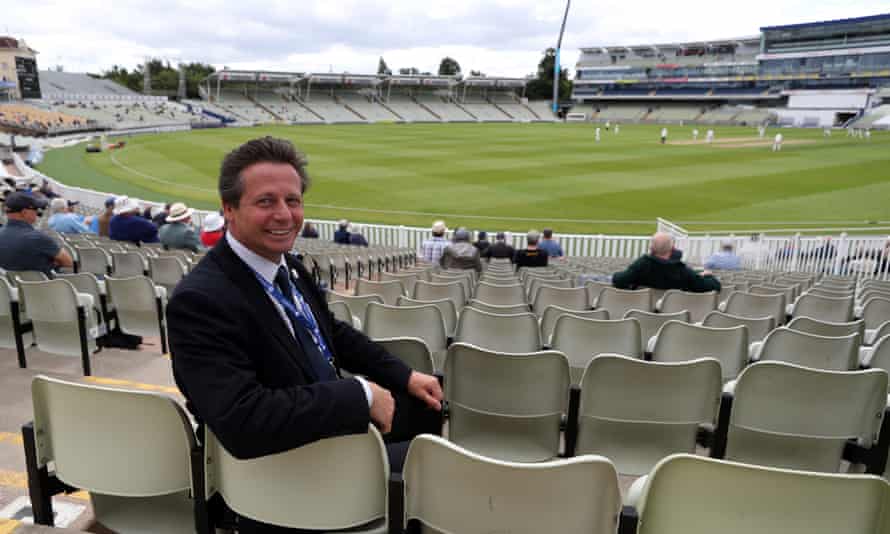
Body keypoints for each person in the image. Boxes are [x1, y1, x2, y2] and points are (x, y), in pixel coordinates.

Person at [167, 138, 442, 534]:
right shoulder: (200, 300)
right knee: (431, 471)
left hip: (318, 419)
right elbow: (243, 421)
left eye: (292, 201)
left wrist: (403, 376)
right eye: (266, 202)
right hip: (283, 469)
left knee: (430, 402)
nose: (284, 215)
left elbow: (330, 331)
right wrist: (360, 395)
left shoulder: (287, 265)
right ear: (229, 209)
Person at [612, 232, 721, 292]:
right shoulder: (681, 270)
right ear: (672, 248)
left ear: (651, 248)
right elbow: (714, 286)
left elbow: (618, 280)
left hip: (641, 314)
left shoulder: (641, 265)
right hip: (674, 318)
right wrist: (708, 276)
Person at [0, 192, 73, 276]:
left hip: (9, 287)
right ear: (24, 213)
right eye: (35, 209)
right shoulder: (38, 238)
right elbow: (69, 263)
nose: (38, 211)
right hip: (44, 287)